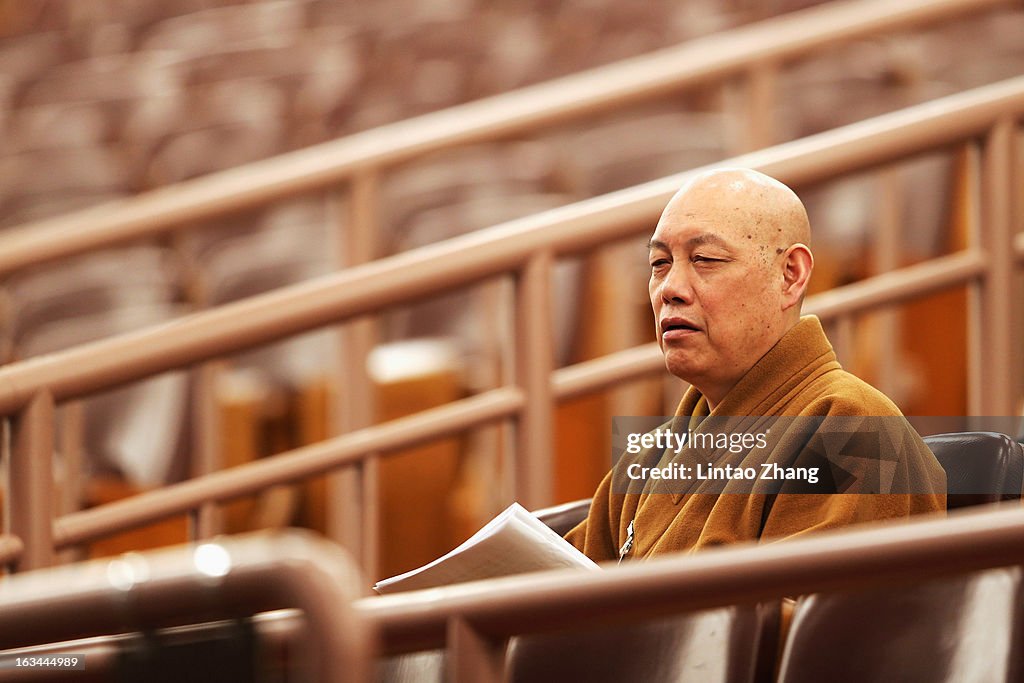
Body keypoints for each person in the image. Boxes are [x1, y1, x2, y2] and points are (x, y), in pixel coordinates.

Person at [565, 168, 946, 563]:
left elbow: (807, 620)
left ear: (790, 275)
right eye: (659, 263)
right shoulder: (647, 460)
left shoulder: (850, 427)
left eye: (705, 259)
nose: (670, 289)